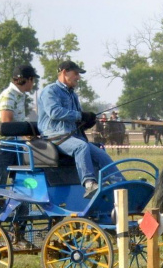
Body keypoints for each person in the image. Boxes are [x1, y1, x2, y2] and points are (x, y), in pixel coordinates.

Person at [38, 60, 124, 198]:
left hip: (73, 137)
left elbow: (77, 119)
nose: (78, 77)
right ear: (64, 72)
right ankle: (89, 184)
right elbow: (54, 112)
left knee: (102, 154)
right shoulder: (50, 91)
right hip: (55, 137)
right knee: (81, 147)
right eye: (76, 74)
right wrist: (80, 115)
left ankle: (121, 186)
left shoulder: (73, 95)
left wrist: (86, 121)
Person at [0, 64, 39, 213]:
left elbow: (18, 122)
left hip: (14, 144)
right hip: (1, 145)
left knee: (21, 182)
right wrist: (25, 132)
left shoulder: (19, 95)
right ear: (28, 80)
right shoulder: (9, 95)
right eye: (33, 80)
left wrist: (28, 133)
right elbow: (7, 123)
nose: (33, 84)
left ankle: (20, 222)